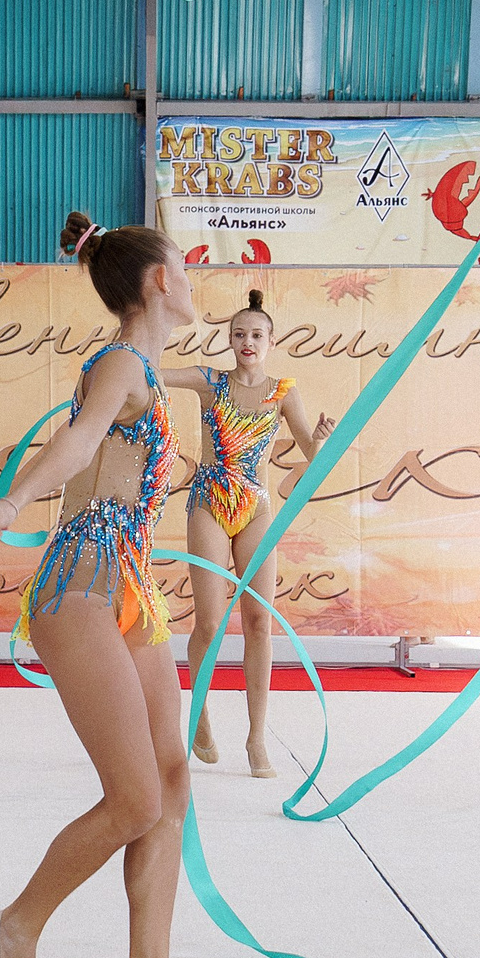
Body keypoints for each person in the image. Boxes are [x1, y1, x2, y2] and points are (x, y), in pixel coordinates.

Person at [0, 212, 233, 958]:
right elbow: (76, 443)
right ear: (158, 281)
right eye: (183, 266)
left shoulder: (149, 367)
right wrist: (12, 500)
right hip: (79, 585)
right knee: (134, 799)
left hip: (128, 589)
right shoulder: (120, 363)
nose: (190, 278)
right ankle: (18, 922)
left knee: (171, 779)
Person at [163, 289, 334, 779]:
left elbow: (312, 457)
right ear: (229, 340)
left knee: (260, 622)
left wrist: (320, 440)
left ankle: (257, 737)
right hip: (210, 503)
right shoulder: (208, 380)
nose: (247, 342)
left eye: (256, 335)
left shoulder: (283, 392)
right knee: (212, 625)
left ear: (271, 341)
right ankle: (201, 716)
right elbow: (152, 372)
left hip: (256, 507)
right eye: (239, 334)